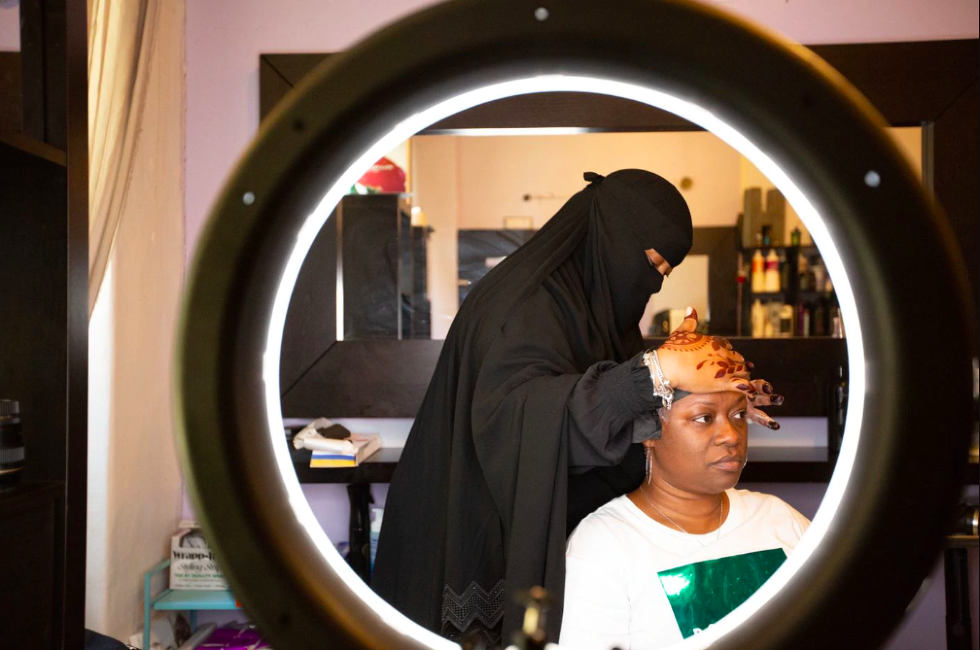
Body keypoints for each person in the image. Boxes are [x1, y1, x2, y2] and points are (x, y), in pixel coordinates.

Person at [372, 169, 782, 646]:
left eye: (666, 272)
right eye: (651, 262)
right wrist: (655, 373)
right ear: (613, 235)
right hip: (470, 528)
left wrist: (707, 395)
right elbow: (521, 424)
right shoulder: (523, 307)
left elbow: (611, 402)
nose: (654, 284)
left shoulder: (592, 306)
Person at [559, 388, 809, 650]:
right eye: (704, 418)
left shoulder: (778, 517)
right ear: (648, 431)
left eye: (738, 415)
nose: (732, 436)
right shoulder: (604, 545)